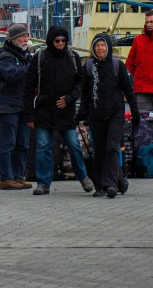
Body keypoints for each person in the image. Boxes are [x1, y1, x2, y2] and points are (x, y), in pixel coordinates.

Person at [25, 25, 94, 196]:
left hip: (66, 111)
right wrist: (29, 114)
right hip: (44, 110)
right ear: (51, 41)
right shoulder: (40, 58)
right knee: (43, 147)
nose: (61, 43)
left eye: (64, 40)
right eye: (57, 40)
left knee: (74, 145)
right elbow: (28, 87)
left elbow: (81, 83)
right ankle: (43, 183)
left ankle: (83, 177)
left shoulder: (73, 57)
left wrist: (70, 98)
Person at [79, 33, 140, 198]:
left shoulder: (117, 65)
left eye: (103, 45)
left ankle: (111, 184)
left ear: (108, 47)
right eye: (97, 45)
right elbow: (85, 93)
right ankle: (100, 185)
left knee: (112, 148)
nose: (100, 48)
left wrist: (135, 113)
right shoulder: (88, 66)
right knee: (99, 150)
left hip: (115, 114)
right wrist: (81, 114)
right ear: (93, 48)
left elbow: (129, 91)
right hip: (96, 114)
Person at [0, 24, 33, 190]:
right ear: (13, 39)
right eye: (22, 37)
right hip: (8, 105)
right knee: (8, 143)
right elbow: (12, 75)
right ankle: (6, 178)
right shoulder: (5, 57)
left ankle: (18, 176)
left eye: (26, 36)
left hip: (23, 105)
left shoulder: (25, 56)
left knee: (23, 143)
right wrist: (29, 68)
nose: (26, 40)